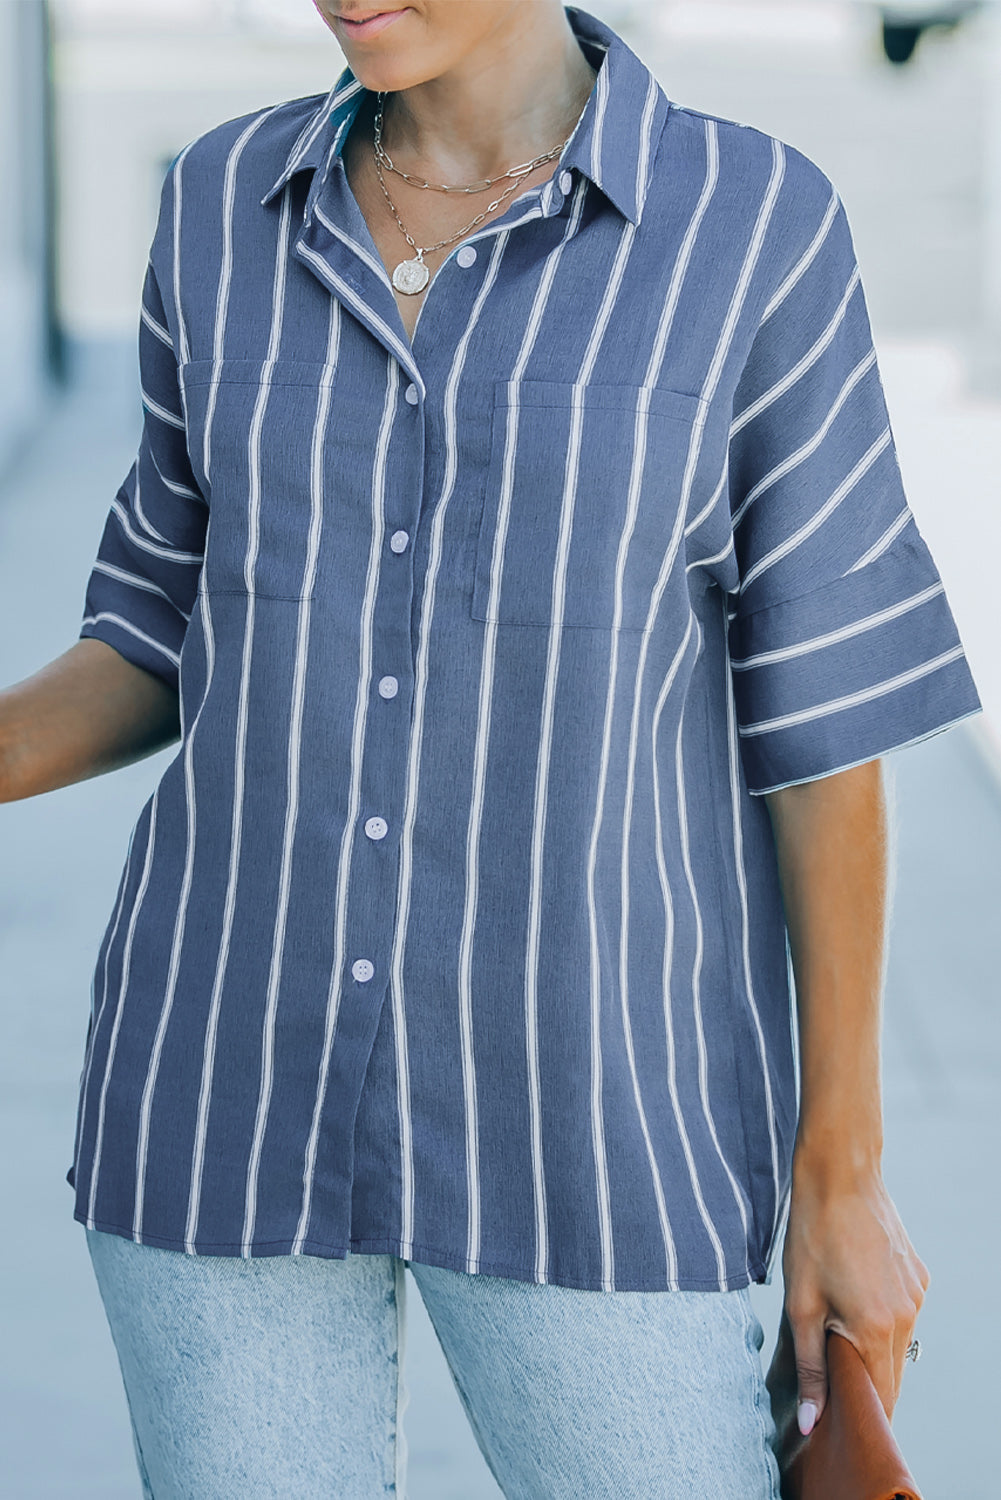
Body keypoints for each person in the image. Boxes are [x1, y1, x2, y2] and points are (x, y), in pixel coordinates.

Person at [0, 2, 981, 1495]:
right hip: (219, 1099)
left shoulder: (749, 225)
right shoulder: (214, 204)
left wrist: (838, 1169)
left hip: (599, 1129)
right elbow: (152, 628)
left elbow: (824, 721)